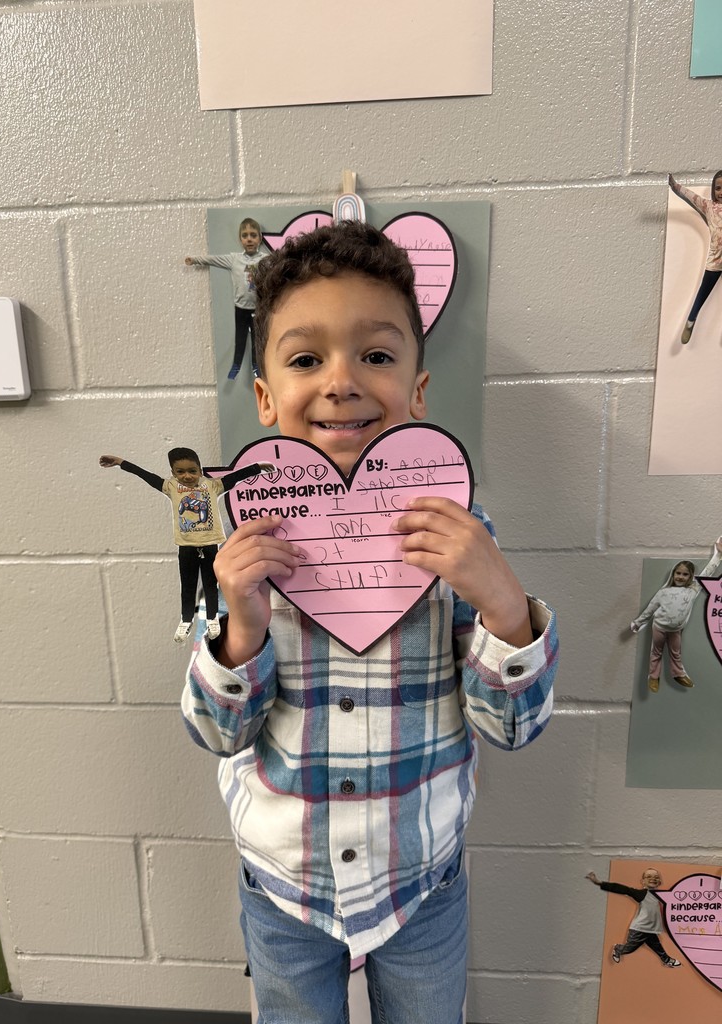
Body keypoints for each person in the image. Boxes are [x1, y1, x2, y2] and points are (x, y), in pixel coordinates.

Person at [181, 222, 559, 1024]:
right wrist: (240, 630)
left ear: (418, 393)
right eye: (306, 358)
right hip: (285, 884)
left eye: (377, 356)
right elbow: (215, 733)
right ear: (265, 397)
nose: (342, 381)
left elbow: (512, 728)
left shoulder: (459, 534)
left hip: (420, 880)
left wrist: (501, 599)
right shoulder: (249, 541)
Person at [99, 448, 270, 644]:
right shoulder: (171, 487)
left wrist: (257, 468)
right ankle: (186, 620)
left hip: (209, 545)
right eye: (180, 472)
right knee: (188, 587)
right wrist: (121, 462)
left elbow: (236, 477)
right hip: (186, 547)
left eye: (192, 471)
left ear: (200, 470)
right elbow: (146, 475)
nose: (187, 476)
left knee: (211, 585)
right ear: (172, 472)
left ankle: (212, 619)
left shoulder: (212, 486)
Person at [630, 537, 722, 692]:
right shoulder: (663, 592)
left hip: (675, 631)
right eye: (678, 573)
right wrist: (638, 623)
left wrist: (718, 555)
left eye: (685, 574)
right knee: (656, 653)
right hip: (658, 628)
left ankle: (678, 673)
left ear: (691, 576)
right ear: (673, 574)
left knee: (676, 653)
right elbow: (650, 609)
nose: (680, 576)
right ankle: (653, 677)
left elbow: (708, 571)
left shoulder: (693, 590)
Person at [185, 218, 269, 379]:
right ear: (240, 239)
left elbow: (284, 266)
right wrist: (194, 260)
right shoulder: (234, 259)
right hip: (241, 309)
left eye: (253, 235)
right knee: (240, 339)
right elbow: (213, 260)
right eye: (245, 235)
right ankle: (236, 366)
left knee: (257, 340)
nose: (249, 239)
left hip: (259, 309)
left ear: (259, 238)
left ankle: (256, 366)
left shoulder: (266, 259)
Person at [585, 869, 681, 968]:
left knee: (657, 946)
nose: (653, 879)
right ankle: (618, 949)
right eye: (649, 877)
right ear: (643, 881)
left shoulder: (661, 895)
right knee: (629, 949)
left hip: (651, 929)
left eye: (656, 877)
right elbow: (624, 889)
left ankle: (666, 960)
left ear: (660, 881)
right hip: (639, 929)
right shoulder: (642, 894)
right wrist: (600, 883)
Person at [668, 172, 722, 344]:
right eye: (718, 188)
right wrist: (675, 186)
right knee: (702, 294)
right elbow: (691, 197)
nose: (721, 192)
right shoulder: (708, 206)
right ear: (714, 190)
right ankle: (691, 321)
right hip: (715, 262)